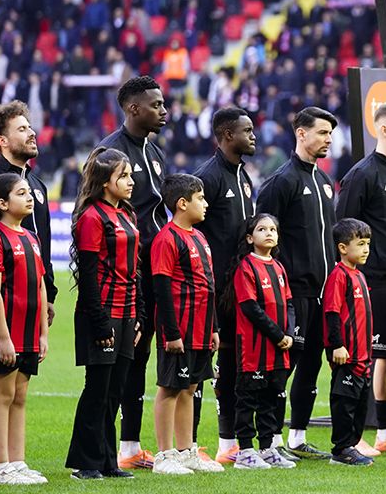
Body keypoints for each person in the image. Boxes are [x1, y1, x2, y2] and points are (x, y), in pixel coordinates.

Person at [0, 102, 56, 475]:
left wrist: (47, 296)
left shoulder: (36, 184)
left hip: (30, 304)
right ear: (3, 140)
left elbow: (41, 251)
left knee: (17, 390)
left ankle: (13, 462)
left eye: (30, 126)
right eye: (22, 129)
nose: (32, 132)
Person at [255, 106, 338, 459]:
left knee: (312, 366)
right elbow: (262, 235)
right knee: (282, 368)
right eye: (322, 132)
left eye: (330, 134)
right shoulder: (282, 182)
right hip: (294, 292)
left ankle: (297, 437)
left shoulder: (325, 182)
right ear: (301, 133)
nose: (328, 139)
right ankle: (271, 440)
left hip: (324, 292)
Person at [334, 103, 386, 454]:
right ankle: (354, 436)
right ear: (382, 129)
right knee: (361, 356)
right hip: (369, 281)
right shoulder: (362, 174)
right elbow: (343, 226)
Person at [98, 76, 168, 470]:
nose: (163, 111)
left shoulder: (154, 152)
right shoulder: (109, 152)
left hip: (157, 269)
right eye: (156, 105)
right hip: (127, 273)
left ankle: (130, 446)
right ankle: (111, 448)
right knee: (126, 358)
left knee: (142, 356)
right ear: (133, 108)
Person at [65, 147, 143, 480]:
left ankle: (108, 461)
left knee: (115, 391)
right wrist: (99, 321)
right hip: (102, 314)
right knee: (97, 389)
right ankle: (85, 462)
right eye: (123, 176)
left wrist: (138, 314)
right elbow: (88, 274)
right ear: (105, 182)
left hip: (126, 312)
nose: (130, 181)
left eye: (130, 175)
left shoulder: (127, 214)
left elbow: (134, 269)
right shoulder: (92, 217)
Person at [192, 107, 257, 464]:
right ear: (228, 135)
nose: (253, 136)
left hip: (239, 289)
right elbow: (193, 233)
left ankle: (227, 442)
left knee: (232, 363)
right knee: (200, 365)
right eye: (247, 130)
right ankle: (188, 445)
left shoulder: (243, 176)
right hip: (213, 289)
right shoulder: (208, 178)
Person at [150, 174, 224, 475]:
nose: (205, 204)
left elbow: (208, 285)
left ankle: (185, 451)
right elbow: (161, 287)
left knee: (190, 388)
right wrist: (171, 332)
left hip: (201, 329)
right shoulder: (167, 238)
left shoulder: (200, 237)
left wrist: (214, 326)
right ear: (182, 203)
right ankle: (164, 455)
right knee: (170, 388)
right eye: (200, 198)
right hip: (179, 330)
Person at [226, 213, 296, 471]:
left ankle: (267, 449)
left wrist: (289, 333)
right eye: (262, 229)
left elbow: (289, 303)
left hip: (278, 348)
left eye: (273, 230)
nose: (269, 233)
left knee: (270, 399)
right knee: (248, 399)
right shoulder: (246, 267)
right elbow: (250, 308)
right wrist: (278, 335)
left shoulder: (278, 267)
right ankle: (245, 451)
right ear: (249, 238)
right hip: (254, 348)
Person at [322, 219, 375, 467]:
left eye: (368, 244)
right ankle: (341, 449)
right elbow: (332, 312)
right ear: (343, 248)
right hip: (347, 355)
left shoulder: (360, 275)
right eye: (360, 244)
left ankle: (351, 446)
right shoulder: (338, 276)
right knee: (344, 403)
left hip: (363, 356)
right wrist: (337, 345)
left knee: (360, 405)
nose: (366, 249)